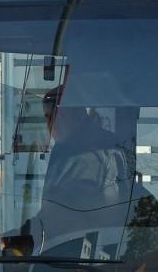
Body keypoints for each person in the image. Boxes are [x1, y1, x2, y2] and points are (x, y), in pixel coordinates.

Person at [37, 95, 135, 257]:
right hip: (77, 248)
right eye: (47, 117)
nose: (49, 125)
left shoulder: (89, 152)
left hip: (82, 252)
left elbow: (62, 212)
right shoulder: (66, 148)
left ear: (74, 114)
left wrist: (27, 234)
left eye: (53, 116)